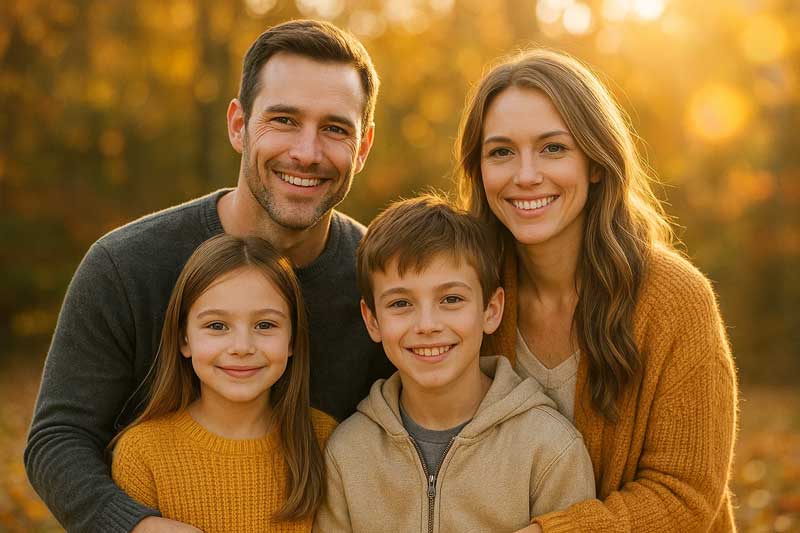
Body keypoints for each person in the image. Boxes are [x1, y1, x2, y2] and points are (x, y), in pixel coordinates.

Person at [25, 20, 393, 532]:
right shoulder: (126, 265)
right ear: (239, 124)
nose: (307, 153)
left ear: (364, 145)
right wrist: (139, 527)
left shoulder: (383, 279)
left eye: (335, 129)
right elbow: (58, 438)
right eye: (283, 120)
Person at [455, 48, 738, 531]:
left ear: (596, 162)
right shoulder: (461, 293)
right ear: (479, 170)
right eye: (501, 151)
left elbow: (685, 496)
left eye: (553, 148)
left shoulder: (674, 301)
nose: (526, 175)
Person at [314, 195, 596, 532]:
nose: (427, 324)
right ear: (372, 320)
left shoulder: (548, 449)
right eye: (401, 303)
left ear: (491, 311)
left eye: (451, 299)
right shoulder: (347, 453)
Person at [111, 234, 335, 531]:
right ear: (184, 339)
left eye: (265, 325)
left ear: (292, 339)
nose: (242, 346)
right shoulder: (143, 454)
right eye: (217, 326)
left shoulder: (327, 441)